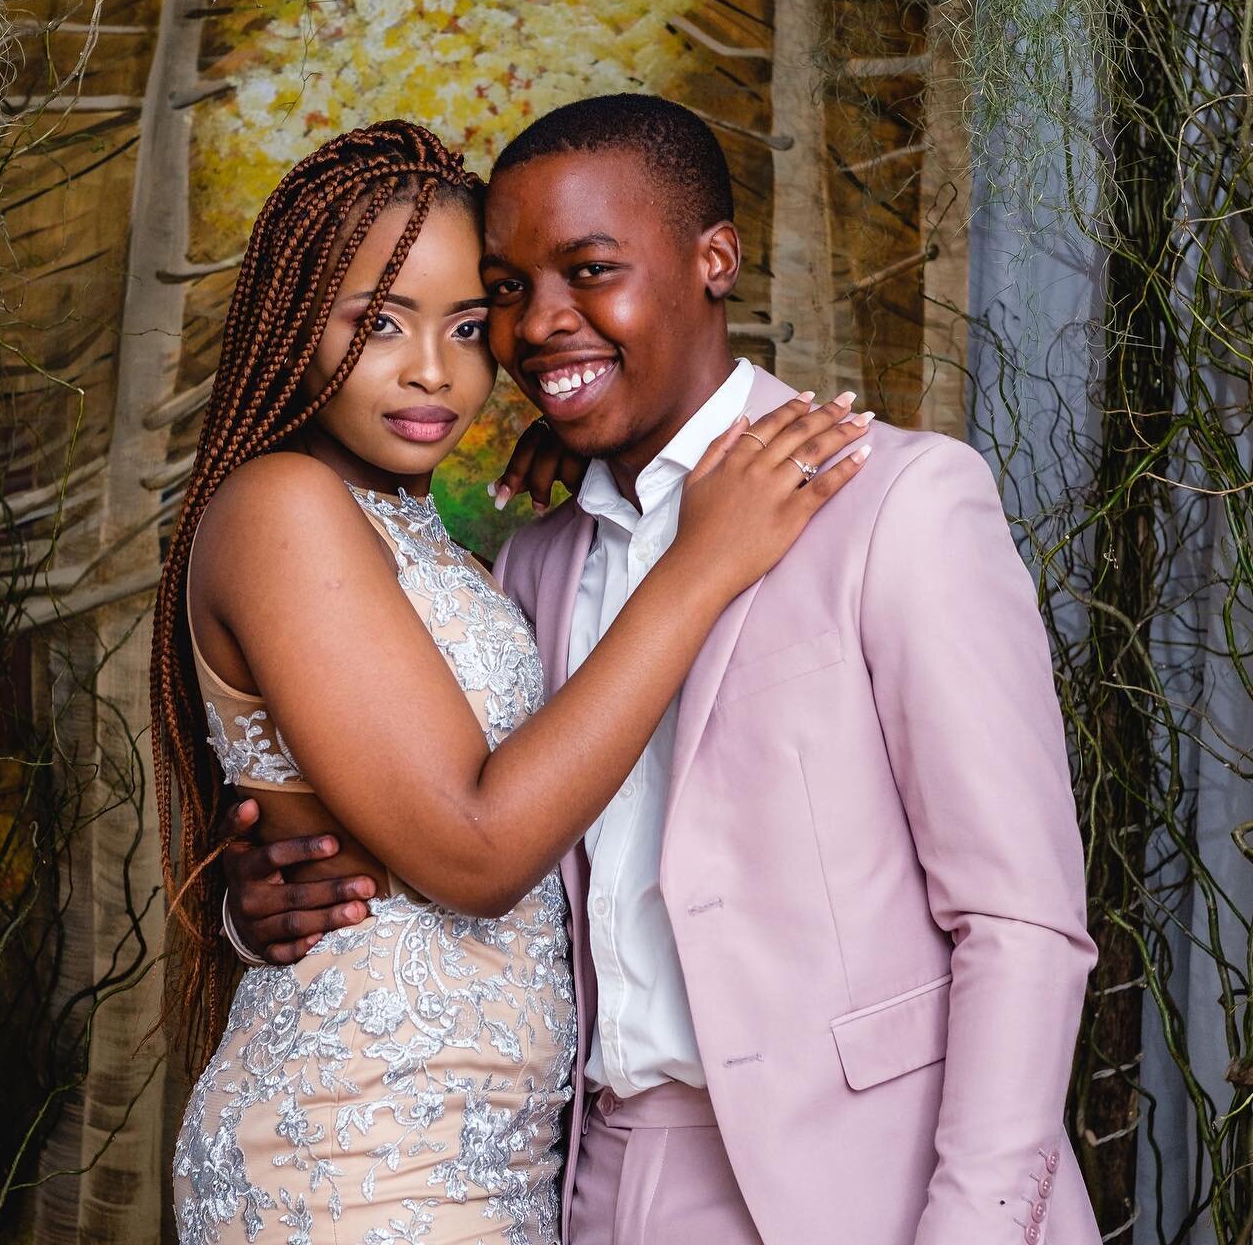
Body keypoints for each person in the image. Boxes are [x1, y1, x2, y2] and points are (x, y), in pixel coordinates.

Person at [225, 96, 1103, 1245]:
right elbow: (481, 830)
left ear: (715, 260)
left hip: (873, 1187)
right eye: (511, 289)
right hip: (589, 1183)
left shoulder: (901, 501)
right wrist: (272, 902)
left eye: (591, 270)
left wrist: (975, 1229)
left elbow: (1021, 920)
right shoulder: (530, 561)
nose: (541, 325)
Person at [152, 118, 869, 1245]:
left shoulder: (430, 534)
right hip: (356, 1155)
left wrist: (588, 448)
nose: (434, 370)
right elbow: (477, 850)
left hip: (502, 1159)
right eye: (378, 323)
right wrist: (700, 562)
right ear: (296, 326)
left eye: (469, 326)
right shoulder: (281, 507)